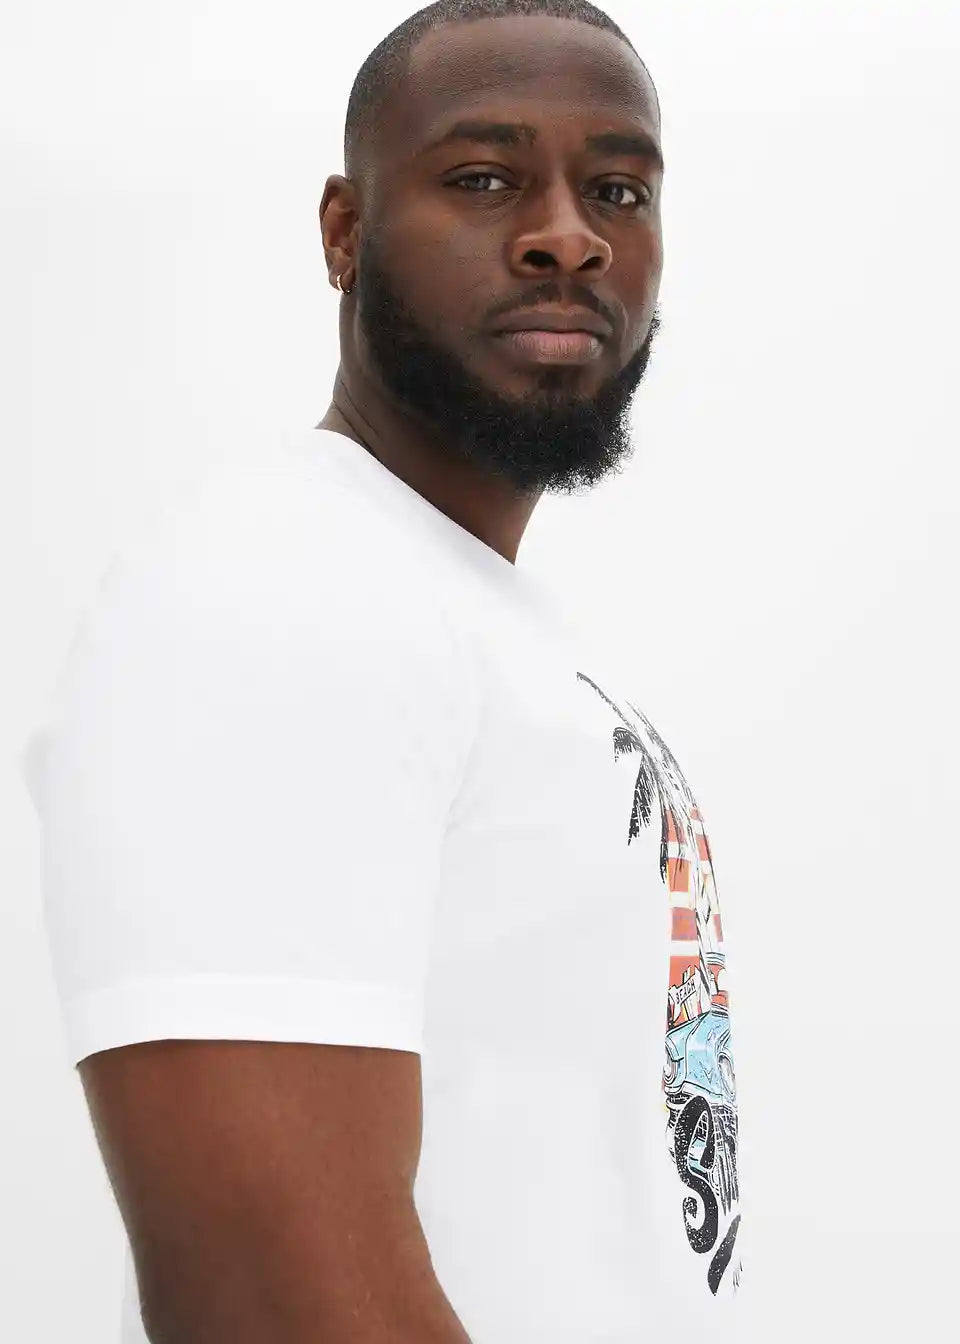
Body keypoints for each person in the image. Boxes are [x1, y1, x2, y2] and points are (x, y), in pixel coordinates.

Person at [19, 2, 744, 1340]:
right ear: (344, 233)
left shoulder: (462, 613)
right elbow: (265, 1303)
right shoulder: (272, 595)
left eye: (618, 190)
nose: (568, 236)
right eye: (484, 178)